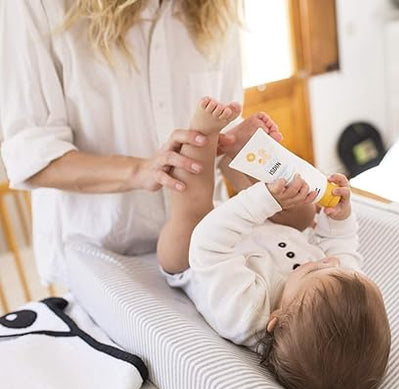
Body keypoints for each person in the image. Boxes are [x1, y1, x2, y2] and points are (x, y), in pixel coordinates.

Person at [0, 0, 281, 284]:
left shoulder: (220, 9)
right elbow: (33, 156)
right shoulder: (36, 5)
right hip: (101, 262)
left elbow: (222, 141)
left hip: (204, 249)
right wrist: (142, 171)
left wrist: (261, 170)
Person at [157, 97, 391, 389]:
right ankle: (241, 153)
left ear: (275, 319)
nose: (329, 260)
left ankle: (202, 137)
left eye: (315, 270)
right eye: (338, 268)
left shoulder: (244, 313)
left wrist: (264, 200)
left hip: (200, 254)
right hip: (267, 234)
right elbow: (342, 246)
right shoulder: (344, 284)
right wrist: (340, 216)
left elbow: (208, 245)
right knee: (304, 212)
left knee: (190, 216)